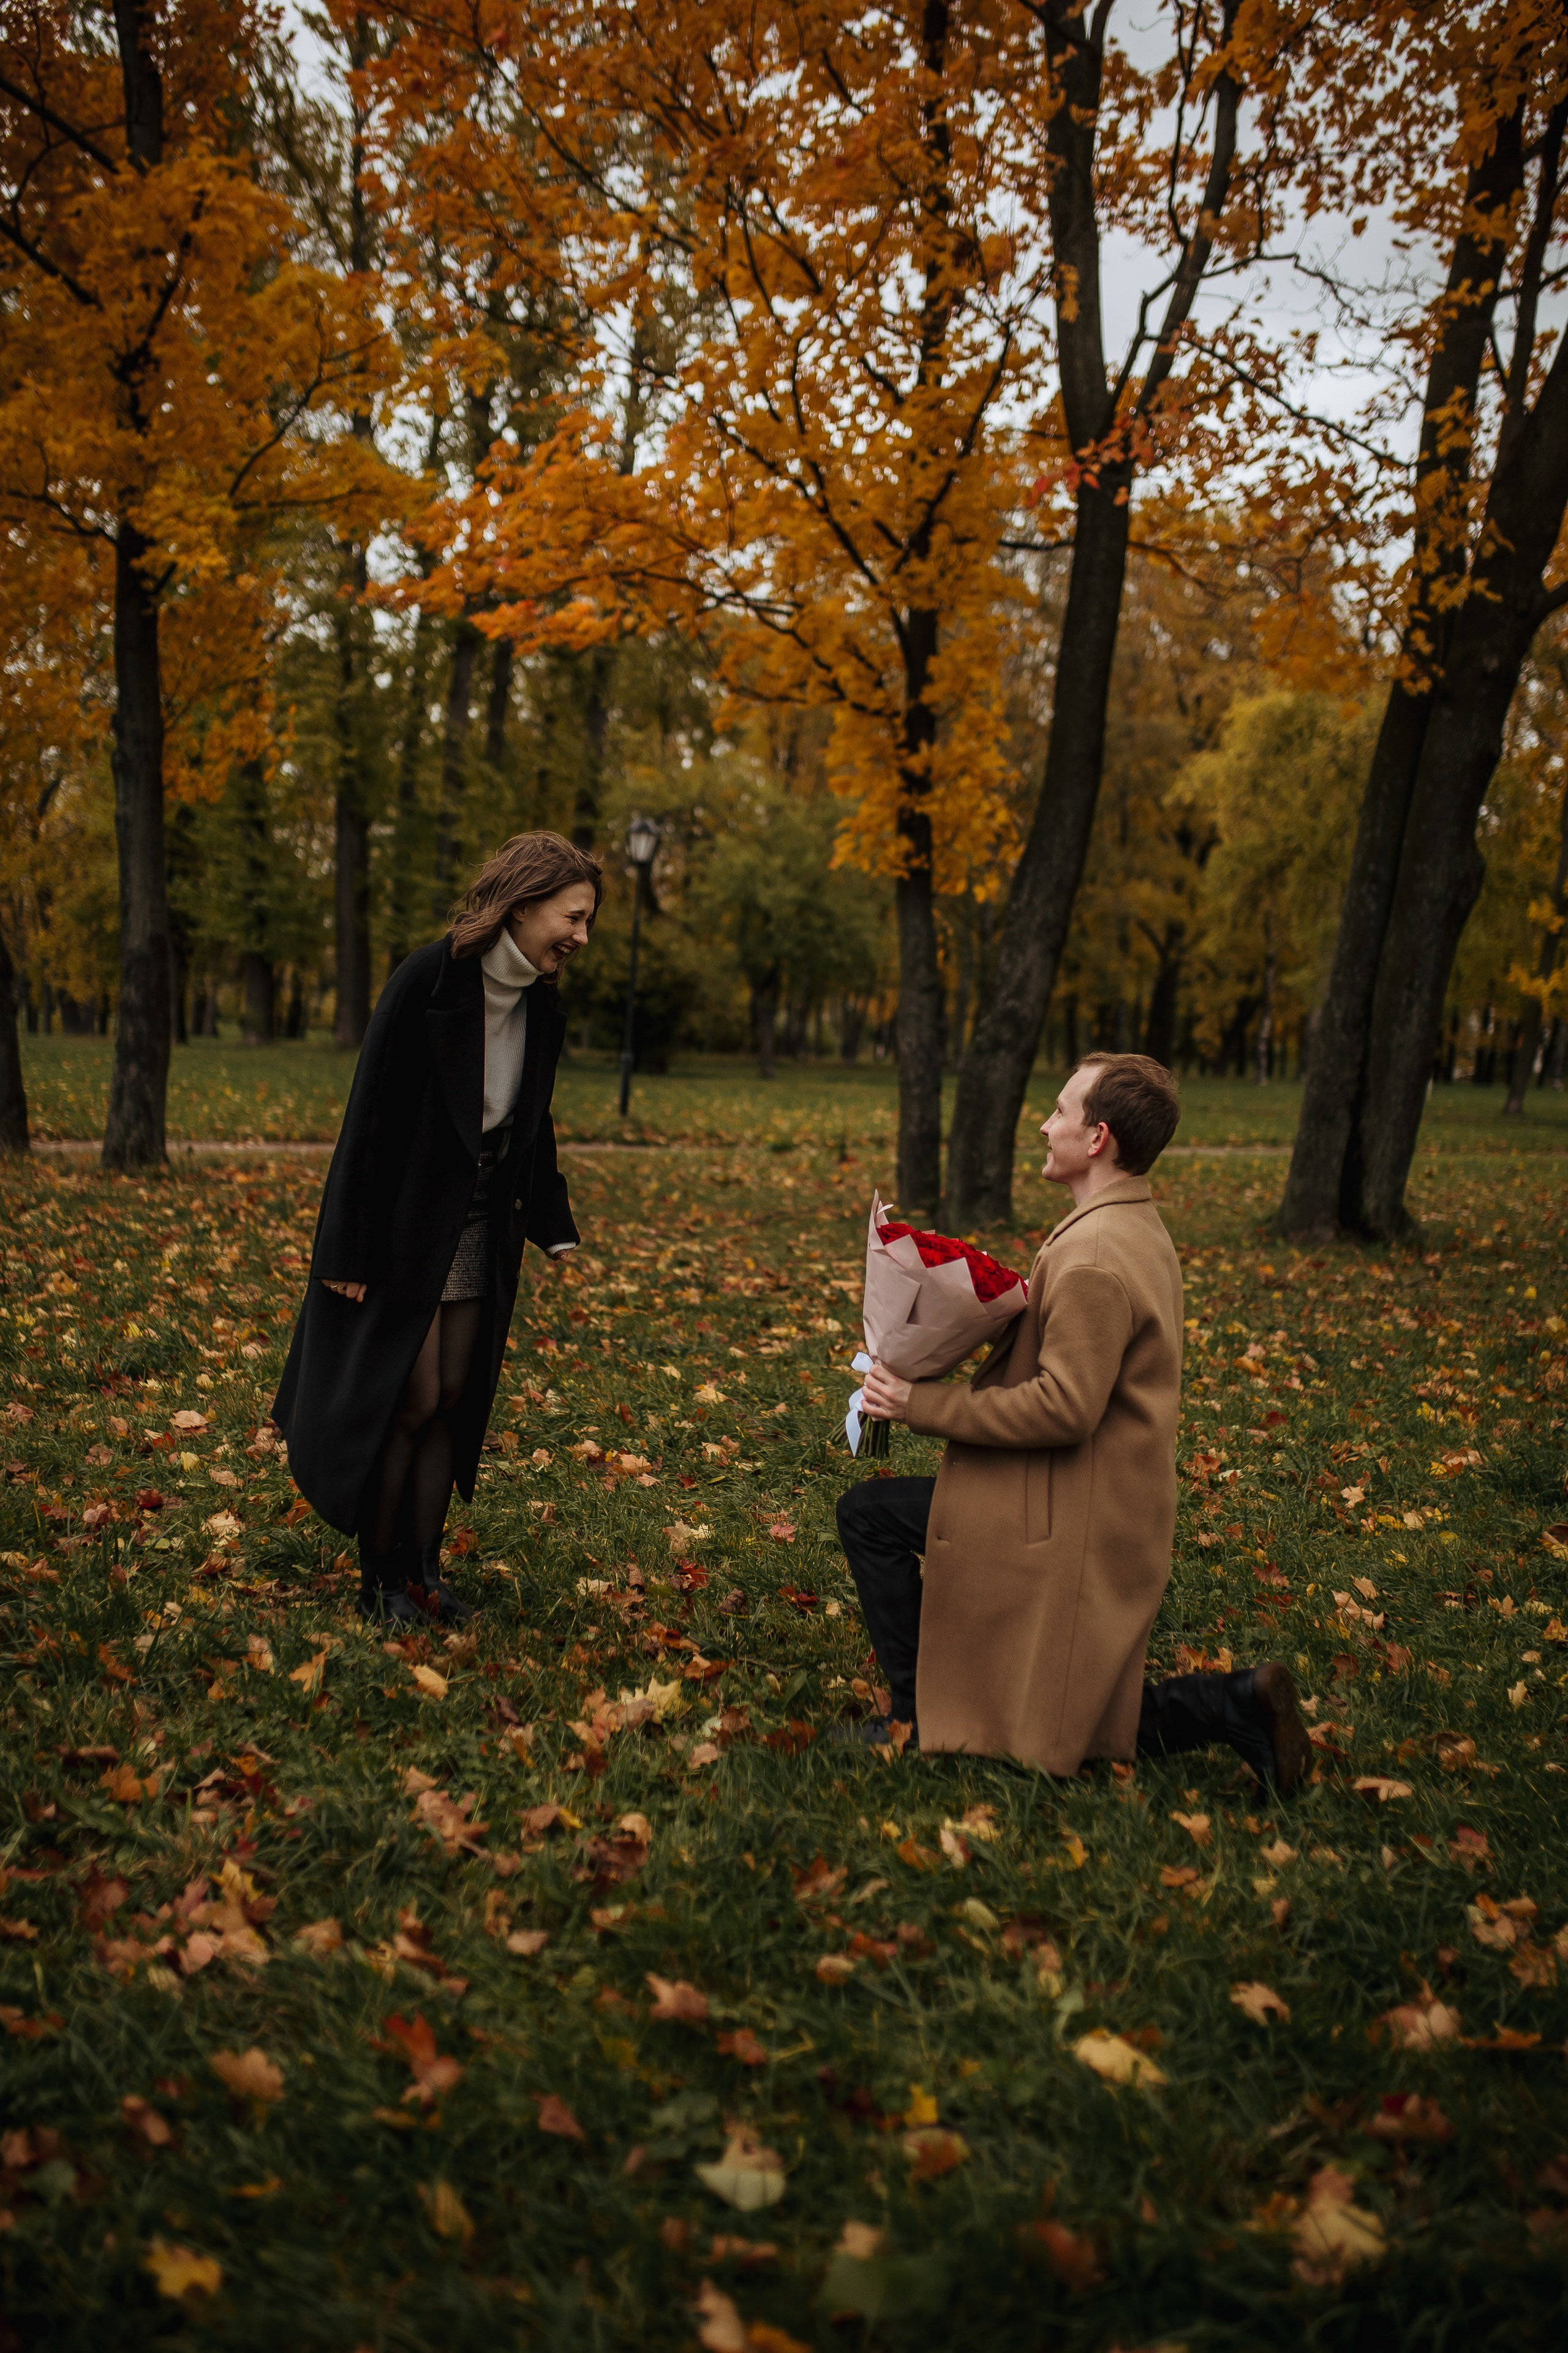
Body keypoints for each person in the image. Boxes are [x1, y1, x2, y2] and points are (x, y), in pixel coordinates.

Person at [837, 1051, 1312, 1792]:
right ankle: (1231, 1703)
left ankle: (918, 1716)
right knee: (1059, 1708)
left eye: (1059, 1110)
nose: (1044, 1124)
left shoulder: (1093, 1253)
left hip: (1073, 1511)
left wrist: (916, 1402)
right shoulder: (1127, 1224)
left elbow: (1064, 1406)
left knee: (869, 1517)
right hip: (1105, 1497)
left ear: (1097, 1138)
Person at [273, 833, 601, 1623]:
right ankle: (382, 1581)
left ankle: (425, 1572)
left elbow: (533, 1121)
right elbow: (369, 1119)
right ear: (522, 905)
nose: (582, 936)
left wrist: (552, 1221)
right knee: (410, 1395)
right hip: (405, 1224)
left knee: (454, 1397)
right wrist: (345, 1249)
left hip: (483, 1219)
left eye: (588, 920)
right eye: (573, 916)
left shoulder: (539, 1003)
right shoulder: (428, 978)